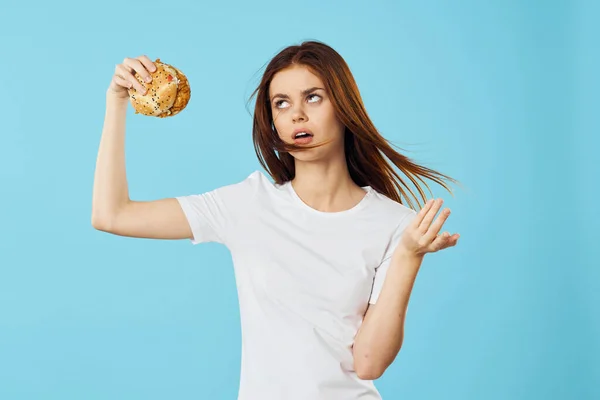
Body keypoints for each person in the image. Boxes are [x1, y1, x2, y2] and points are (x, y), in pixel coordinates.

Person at [92, 40, 460, 400]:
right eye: (281, 103)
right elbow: (112, 215)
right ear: (273, 121)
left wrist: (410, 254)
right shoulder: (247, 205)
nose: (297, 114)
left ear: (344, 106)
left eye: (313, 97)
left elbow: (368, 364)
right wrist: (116, 102)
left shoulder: (396, 224)